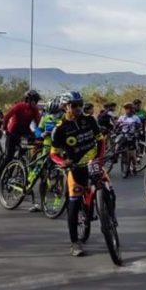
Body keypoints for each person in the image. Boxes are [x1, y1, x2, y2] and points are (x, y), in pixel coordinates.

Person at [49, 91, 107, 257]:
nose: (79, 108)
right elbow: (53, 154)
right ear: (65, 107)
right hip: (76, 167)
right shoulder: (59, 129)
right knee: (73, 205)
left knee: (108, 188)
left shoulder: (89, 120)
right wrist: (63, 163)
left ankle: (109, 218)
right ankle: (75, 242)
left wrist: (100, 158)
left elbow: (100, 140)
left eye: (80, 104)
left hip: (95, 162)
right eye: (74, 105)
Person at [0, 90, 41, 193]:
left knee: (23, 157)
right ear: (28, 100)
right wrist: (5, 129)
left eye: (37, 101)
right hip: (13, 133)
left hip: (24, 133)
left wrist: (39, 135)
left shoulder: (35, 110)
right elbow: (7, 116)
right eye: (34, 100)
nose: (35, 103)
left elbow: (39, 123)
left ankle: (21, 176)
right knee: (8, 158)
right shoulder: (19, 106)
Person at [116, 102, 143, 177]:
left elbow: (139, 126)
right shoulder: (122, 117)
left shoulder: (136, 118)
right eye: (126, 109)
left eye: (129, 109)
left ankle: (134, 167)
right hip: (124, 136)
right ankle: (115, 158)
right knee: (117, 145)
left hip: (132, 137)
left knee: (132, 154)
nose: (128, 110)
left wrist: (137, 131)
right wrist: (116, 129)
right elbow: (117, 125)